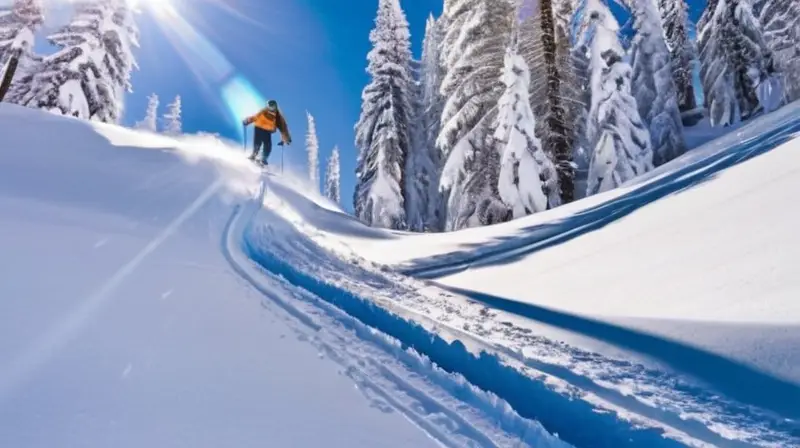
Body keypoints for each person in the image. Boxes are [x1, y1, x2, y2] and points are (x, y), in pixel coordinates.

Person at [243, 99, 292, 165]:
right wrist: (247, 121)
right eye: (269, 107)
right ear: (268, 106)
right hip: (259, 128)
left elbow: (283, 128)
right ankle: (254, 155)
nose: (271, 109)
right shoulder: (264, 111)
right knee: (258, 142)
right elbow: (255, 117)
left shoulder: (278, 116)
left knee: (267, 145)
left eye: (272, 107)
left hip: (267, 131)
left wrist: (287, 139)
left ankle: (263, 159)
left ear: (275, 107)